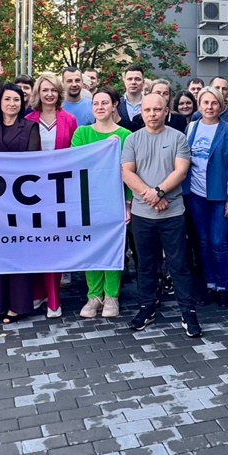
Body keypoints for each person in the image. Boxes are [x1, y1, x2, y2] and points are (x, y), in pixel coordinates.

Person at [121, 93, 202, 338]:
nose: (152, 114)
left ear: (166, 111)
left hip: (172, 213)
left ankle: (188, 311)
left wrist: (159, 192)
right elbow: (127, 172)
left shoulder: (178, 137)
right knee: (146, 265)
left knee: (179, 265)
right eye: (147, 110)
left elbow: (181, 171)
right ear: (142, 112)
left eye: (157, 109)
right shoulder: (132, 139)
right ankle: (146, 307)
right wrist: (151, 195)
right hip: (142, 214)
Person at [0, 82, 42, 323]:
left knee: (19, 250)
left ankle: (18, 305)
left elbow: (32, 162)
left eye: (16, 99)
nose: (12, 104)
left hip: (21, 199)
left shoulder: (31, 127)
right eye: (7, 99)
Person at [72, 87, 133, 319]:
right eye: (96, 103)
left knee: (112, 248)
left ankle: (111, 296)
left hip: (114, 201)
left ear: (114, 105)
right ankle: (94, 296)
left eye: (105, 103)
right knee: (91, 247)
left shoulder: (126, 136)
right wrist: (104, 148)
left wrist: (128, 203)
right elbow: (77, 164)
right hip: (87, 200)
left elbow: (129, 173)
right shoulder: (82, 133)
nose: (100, 107)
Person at [184, 88, 228, 308]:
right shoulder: (191, 128)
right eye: (205, 103)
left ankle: (223, 287)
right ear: (199, 105)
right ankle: (210, 285)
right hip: (195, 194)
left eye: (214, 103)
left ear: (221, 106)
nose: (209, 107)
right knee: (204, 241)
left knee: (218, 242)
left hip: (220, 196)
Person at [26, 72, 77, 316]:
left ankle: (54, 299)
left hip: (60, 190)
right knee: (36, 243)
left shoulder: (69, 120)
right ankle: (38, 292)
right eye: (45, 90)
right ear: (38, 92)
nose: (49, 94)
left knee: (55, 244)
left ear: (59, 93)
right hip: (32, 191)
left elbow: (76, 154)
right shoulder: (28, 119)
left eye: (53, 90)